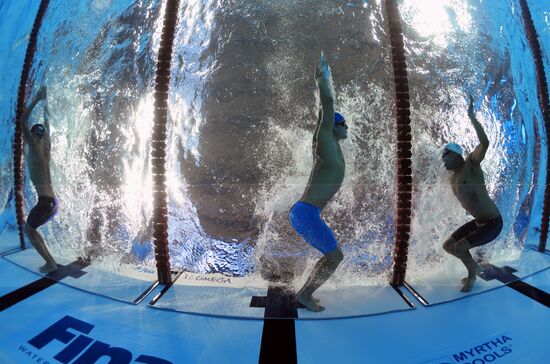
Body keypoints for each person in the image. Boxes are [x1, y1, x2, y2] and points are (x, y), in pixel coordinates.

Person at [289, 52, 348, 312]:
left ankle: (305, 293)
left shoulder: (334, 146)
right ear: (333, 126)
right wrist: (323, 81)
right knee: (335, 256)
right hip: (306, 213)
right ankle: (304, 295)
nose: (347, 127)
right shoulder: (325, 143)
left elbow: (323, 118)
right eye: (343, 123)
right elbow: (327, 106)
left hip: (309, 213)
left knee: (331, 256)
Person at [441, 96, 502, 292]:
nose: (443, 159)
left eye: (446, 155)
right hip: (479, 222)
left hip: (493, 222)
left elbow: (485, 142)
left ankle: (472, 276)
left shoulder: (471, 165)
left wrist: (471, 116)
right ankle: (473, 266)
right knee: (448, 245)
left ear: (457, 155)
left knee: (460, 248)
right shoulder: (452, 178)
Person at [20, 86, 58, 273]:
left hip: (45, 203)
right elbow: (48, 122)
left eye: (32, 133)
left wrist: (36, 99)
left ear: (34, 136)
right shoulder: (46, 147)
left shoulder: (35, 148)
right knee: (32, 230)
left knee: (28, 231)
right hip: (52, 202)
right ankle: (49, 261)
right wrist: (46, 101)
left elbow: (22, 120)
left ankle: (50, 263)